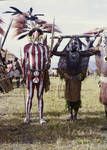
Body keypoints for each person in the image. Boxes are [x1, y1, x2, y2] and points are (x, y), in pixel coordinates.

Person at [52, 37, 100, 121]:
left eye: (75, 43)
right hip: (68, 78)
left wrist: (89, 41)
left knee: (76, 98)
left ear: (78, 45)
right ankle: (71, 115)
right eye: (72, 43)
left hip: (77, 78)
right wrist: (59, 42)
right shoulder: (66, 53)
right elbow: (54, 52)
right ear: (69, 45)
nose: (73, 45)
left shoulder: (80, 53)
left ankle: (75, 115)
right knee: (69, 97)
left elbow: (94, 51)